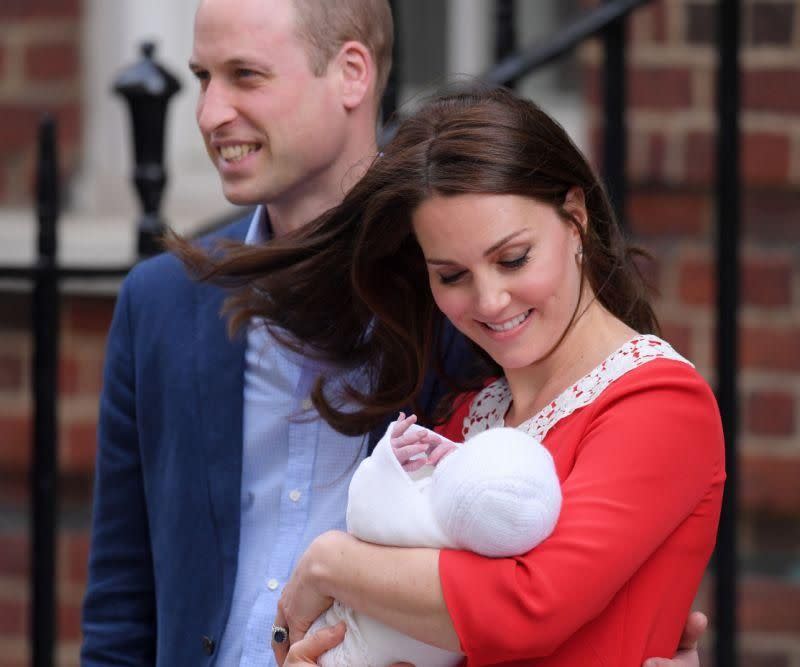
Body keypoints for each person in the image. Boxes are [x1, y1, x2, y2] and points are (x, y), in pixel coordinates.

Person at [80, 0, 709, 662]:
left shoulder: (476, 316)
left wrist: (331, 564)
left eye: (246, 74)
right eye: (203, 77)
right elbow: (122, 602)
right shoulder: (161, 302)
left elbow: (543, 586)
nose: (209, 112)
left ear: (353, 72)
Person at [306, 415, 562, 666]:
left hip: (352, 643)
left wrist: (388, 458)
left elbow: (363, 509)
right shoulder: (495, 547)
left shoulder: (425, 521)